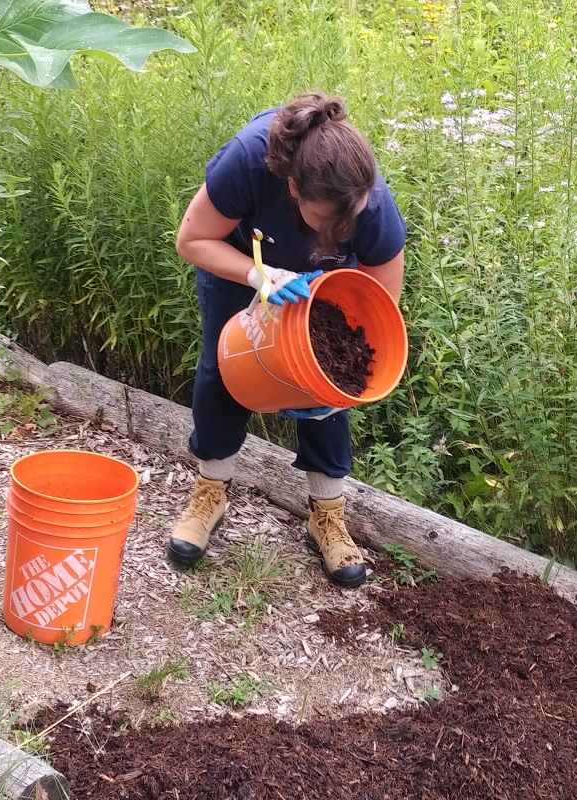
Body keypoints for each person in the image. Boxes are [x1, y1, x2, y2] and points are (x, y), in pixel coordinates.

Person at [167, 90, 406, 589]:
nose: (339, 231)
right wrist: (259, 278)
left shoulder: (372, 204)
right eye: (328, 223)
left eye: (352, 220)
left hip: (325, 283)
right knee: (224, 366)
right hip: (240, 264)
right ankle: (210, 491)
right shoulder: (248, 162)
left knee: (329, 379)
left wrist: (332, 388)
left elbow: (380, 310)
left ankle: (327, 513)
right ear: (293, 188)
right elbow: (192, 240)